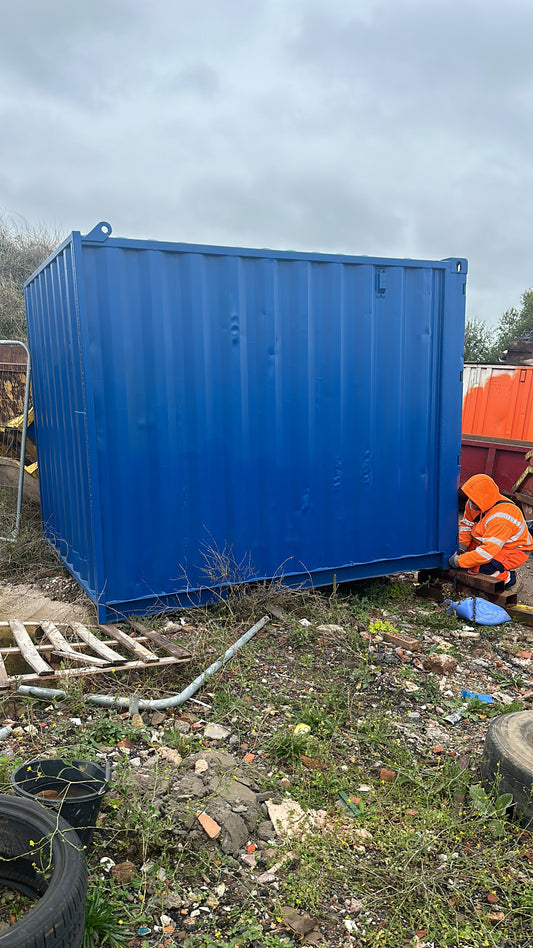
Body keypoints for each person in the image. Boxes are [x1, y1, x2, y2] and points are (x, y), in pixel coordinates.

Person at [448, 473, 533, 588]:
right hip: (486, 542)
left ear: (483, 498)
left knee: (482, 569)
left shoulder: (502, 517)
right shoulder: (474, 503)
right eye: (470, 498)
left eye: (474, 500)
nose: (470, 504)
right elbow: (466, 526)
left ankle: (509, 579)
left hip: (513, 550)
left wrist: (459, 561)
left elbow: (487, 553)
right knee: (468, 560)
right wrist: (462, 547)